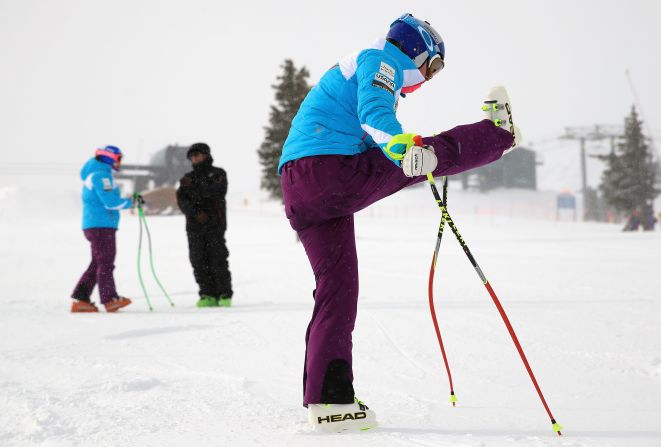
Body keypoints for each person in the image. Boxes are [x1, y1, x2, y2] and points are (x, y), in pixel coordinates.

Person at [278, 13, 520, 432]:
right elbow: (375, 113)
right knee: (428, 150)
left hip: (303, 189)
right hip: (328, 171)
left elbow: (371, 128)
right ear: (417, 50)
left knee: (337, 292)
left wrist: (403, 154)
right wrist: (406, 149)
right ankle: (498, 133)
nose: (428, 78)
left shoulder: (366, 66)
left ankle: (330, 401)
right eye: (434, 66)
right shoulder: (382, 60)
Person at [71, 146, 137, 313]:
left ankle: (81, 299)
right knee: (106, 262)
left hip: (98, 225)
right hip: (101, 226)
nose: (120, 162)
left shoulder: (98, 175)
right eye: (118, 158)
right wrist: (131, 203)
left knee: (98, 263)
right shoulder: (101, 176)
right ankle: (110, 299)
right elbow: (111, 202)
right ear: (109, 158)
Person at [176, 143, 233, 308]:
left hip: (215, 225)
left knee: (218, 259)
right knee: (198, 260)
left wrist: (194, 189)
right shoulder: (186, 178)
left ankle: (224, 294)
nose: (194, 158)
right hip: (194, 227)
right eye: (191, 156)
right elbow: (182, 200)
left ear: (206, 155)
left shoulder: (218, 173)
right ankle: (207, 294)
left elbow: (216, 193)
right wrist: (195, 212)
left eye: (197, 155)